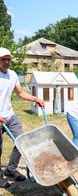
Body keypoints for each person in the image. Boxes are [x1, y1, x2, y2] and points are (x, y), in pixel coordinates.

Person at [0, 47, 45, 188]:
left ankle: (11, 169)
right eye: (3, 59)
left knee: (22, 142)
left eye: (8, 59)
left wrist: (35, 98)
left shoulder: (12, 75)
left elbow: (20, 93)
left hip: (10, 115)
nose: (7, 62)